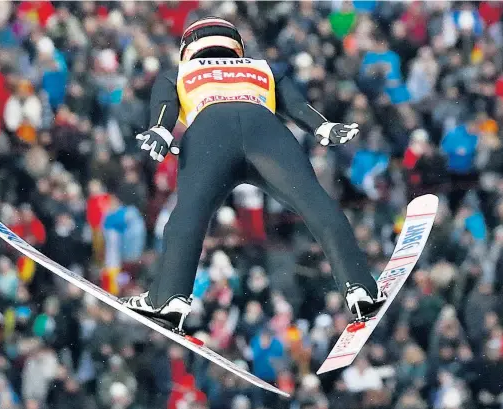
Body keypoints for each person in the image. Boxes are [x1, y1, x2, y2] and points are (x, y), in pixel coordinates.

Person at [123, 17, 384, 331]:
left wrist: (161, 132)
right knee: (317, 205)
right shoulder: (264, 67)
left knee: (188, 216)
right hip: (265, 132)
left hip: (210, 132)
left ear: (188, 47)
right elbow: (297, 106)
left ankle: (169, 298)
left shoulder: (179, 71)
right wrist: (323, 127)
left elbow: (165, 108)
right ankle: (360, 288)